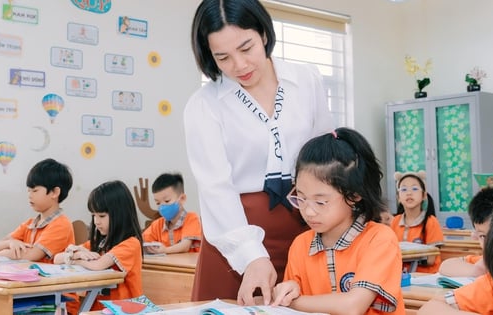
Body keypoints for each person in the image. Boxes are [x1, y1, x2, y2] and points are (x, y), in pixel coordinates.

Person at [184, 0, 333, 305]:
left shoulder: (305, 80)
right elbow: (216, 189)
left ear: (264, 34)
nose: (239, 65)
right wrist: (251, 256)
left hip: (306, 227)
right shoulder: (204, 105)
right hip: (235, 238)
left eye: (246, 48)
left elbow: (326, 158)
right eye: (223, 57)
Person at [271, 128, 405, 314]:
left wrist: (293, 302)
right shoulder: (300, 245)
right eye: (301, 198)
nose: (308, 211)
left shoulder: (379, 239)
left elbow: (353, 306)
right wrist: (288, 292)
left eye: (320, 201)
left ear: (354, 194)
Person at [54, 180, 144, 312]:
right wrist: (77, 254)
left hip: (124, 309)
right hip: (98, 308)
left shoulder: (131, 243)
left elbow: (98, 265)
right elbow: (57, 258)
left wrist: (74, 259)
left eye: (102, 216)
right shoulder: (100, 242)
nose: (96, 221)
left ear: (120, 214)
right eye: (93, 215)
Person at [0, 158, 75, 263]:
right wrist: (10, 243)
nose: (30, 195)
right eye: (28, 190)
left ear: (54, 192)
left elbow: (32, 254)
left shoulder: (61, 224)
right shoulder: (30, 224)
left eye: (35, 190)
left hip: (51, 279)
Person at [438, 186, 493, 277]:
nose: (491, 243)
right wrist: (477, 270)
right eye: (483, 236)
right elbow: (445, 265)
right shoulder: (485, 262)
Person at [390, 171, 444, 273]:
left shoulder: (431, 221)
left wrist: (405, 258)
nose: (409, 193)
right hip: (400, 275)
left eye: (414, 189)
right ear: (398, 198)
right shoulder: (395, 221)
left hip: (425, 277)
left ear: (424, 195)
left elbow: (430, 259)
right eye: (404, 189)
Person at [142, 173, 202, 254]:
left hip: (190, 266)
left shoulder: (191, 218)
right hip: (168, 266)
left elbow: (185, 246)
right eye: (158, 203)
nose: (162, 206)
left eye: (167, 201)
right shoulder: (158, 224)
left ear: (182, 199)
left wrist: (165, 250)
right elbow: (142, 241)